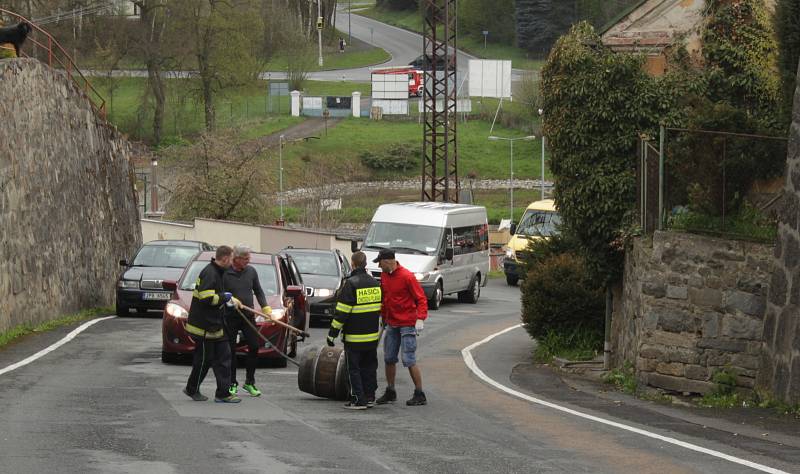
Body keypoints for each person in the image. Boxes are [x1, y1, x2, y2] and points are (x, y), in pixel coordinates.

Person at [183, 245, 241, 404]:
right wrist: (224, 297)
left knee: (224, 357)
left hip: (215, 326)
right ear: (224, 258)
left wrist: (227, 300)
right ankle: (192, 389)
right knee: (204, 360)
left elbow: (214, 297)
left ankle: (223, 393)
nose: (232, 262)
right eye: (231, 259)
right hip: (203, 327)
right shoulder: (210, 273)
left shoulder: (218, 272)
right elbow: (206, 298)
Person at [327, 251, 382, 410]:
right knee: (370, 368)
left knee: (354, 369)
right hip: (372, 337)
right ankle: (370, 396)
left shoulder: (351, 284)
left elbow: (341, 313)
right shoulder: (375, 283)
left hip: (354, 338)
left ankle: (358, 399)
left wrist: (332, 334)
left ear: (353, 264)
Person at [373, 249, 429, 406]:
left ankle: (420, 393)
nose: (378, 265)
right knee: (389, 357)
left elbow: (421, 299)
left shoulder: (407, 276)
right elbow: (385, 298)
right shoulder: (384, 276)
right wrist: (383, 317)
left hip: (407, 324)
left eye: (380, 262)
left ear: (387, 261)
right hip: (392, 323)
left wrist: (420, 318)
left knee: (408, 359)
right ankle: (391, 391)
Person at [224, 244, 272, 398]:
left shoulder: (251, 271)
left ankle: (249, 382)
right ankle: (231, 383)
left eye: (249, 258)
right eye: (245, 259)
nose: (248, 261)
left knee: (253, 346)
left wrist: (265, 308)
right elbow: (219, 292)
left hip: (248, 315)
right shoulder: (225, 273)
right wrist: (229, 298)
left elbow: (258, 290)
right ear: (236, 259)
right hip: (230, 316)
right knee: (230, 350)